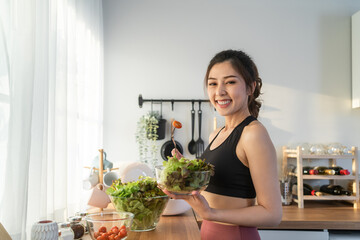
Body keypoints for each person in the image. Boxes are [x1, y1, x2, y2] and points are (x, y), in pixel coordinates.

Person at [166, 49, 282, 240]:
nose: (219, 91)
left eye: (230, 82)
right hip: (209, 232)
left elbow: (272, 214)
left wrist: (211, 213)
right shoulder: (216, 134)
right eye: (213, 83)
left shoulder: (253, 133)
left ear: (250, 88)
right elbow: (223, 184)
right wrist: (187, 170)